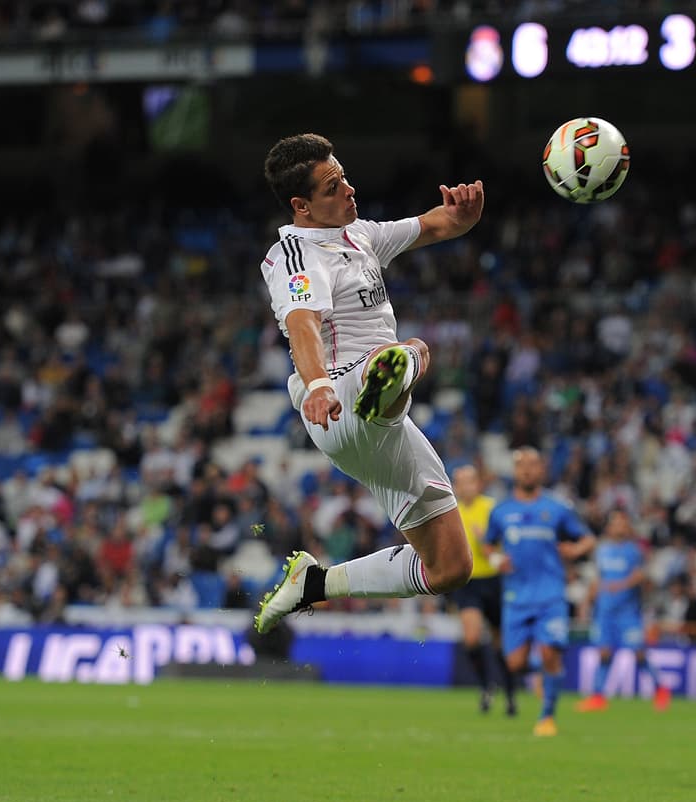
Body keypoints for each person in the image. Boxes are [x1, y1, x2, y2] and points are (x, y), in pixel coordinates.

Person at [251, 133, 482, 633]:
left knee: (451, 568)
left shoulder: (361, 235)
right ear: (302, 205)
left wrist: (463, 216)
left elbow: (432, 224)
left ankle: (314, 585)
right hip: (337, 399)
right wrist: (316, 386)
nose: (349, 189)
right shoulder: (295, 255)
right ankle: (387, 382)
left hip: (377, 430)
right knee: (411, 351)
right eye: (333, 186)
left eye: (345, 176)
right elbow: (303, 322)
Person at [484, 447, 596, 736]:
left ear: (542, 470)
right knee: (515, 663)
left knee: (550, 653)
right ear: (514, 471)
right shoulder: (501, 511)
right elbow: (487, 546)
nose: (527, 470)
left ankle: (547, 716)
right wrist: (496, 559)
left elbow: (588, 539)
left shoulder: (557, 508)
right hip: (516, 596)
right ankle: (542, 666)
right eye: (522, 465)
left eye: (533, 465)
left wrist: (575, 549)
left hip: (550, 594)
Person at [575, 509, 672, 713]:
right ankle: (598, 696)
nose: (619, 526)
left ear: (627, 527)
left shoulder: (634, 551)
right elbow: (597, 578)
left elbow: (641, 576)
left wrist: (621, 585)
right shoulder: (601, 550)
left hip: (628, 612)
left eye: (623, 523)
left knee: (638, 653)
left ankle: (660, 689)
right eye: (616, 523)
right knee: (603, 653)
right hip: (605, 610)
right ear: (610, 526)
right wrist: (586, 602)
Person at [450, 464, 516, 715]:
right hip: (467, 582)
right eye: (459, 481)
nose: (464, 486)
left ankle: (509, 693)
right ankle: (486, 685)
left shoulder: (492, 509)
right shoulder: (451, 511)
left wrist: (487, 542)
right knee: (472, 638)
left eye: (469, 481)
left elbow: (508, 545)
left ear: (478, 484)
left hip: (494, 580)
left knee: (501, 644)